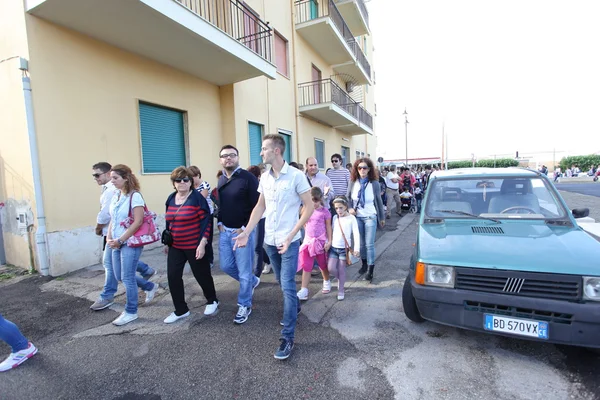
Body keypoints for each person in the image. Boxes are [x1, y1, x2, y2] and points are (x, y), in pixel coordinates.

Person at [234, 134, 313, 360]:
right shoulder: (265, 178)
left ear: (277, 151)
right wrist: (247, 232)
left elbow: (308, 207)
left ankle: (287, 337)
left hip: (289, 242)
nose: (261, 153)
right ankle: (295, 306)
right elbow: (260, 207)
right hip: (270, 241)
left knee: (287, 285)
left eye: (264, 149)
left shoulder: (297, 176)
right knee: (280, 281)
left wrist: (292, 234)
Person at [90, 162, 156, 313]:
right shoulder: (117, 195)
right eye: (111, 178)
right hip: (115, 241)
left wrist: (120, 240)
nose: (112, 181)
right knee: (118, 275)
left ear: (125, 178)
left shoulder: (135, 196)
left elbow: (138, 221)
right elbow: (112, 218)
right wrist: (110, 239)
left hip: (129, 242)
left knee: (127, 278)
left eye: (115, 178)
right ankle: (150, 286)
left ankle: (131, 311)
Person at [163, 167, 219, 324]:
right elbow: (169, 221)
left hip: (194, 245)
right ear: (173, 183)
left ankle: (212, 300)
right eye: (178, 180)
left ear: (190, 182)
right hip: (176, 245)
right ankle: (181, 310)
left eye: (185, 180)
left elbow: (206, 222)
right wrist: (167, 242)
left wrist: (202, 244)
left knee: (202, 275)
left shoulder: (197, 198)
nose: (181, 183)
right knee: (173, 277)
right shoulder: (171, 198)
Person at [217, 145, 260, 324]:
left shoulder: (248, 178)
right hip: (225, 231)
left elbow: (258, 206)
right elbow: (221, 203)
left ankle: (244, 305)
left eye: (232, 155)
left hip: (242, 232)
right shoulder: (221, 179)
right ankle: (252, 280)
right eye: (224, 156)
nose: (228, 158)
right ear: (220, 159)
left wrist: (245, 228)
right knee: (226, 266)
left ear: (238, 157)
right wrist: (219, 221)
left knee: (243, 272)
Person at [347, 158, 385, 282]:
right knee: (361, 244)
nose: (362, 170)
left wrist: (382, 217)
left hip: (370, 216)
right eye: (359, 168)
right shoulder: (353, 182)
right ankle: (363, 265)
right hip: (357, 217)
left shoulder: (374, 183)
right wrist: (349, 208)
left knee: (369, 244)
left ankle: (370, 270)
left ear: (369, 169)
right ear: (356, 169)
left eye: (365, 168)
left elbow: (379, 201)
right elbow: (347, 197)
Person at [297, 187, 332, 300]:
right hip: (308, 242)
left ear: (321, 199)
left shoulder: (324, 212)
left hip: (320, 242)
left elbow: (328, 227)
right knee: (306, 266)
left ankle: (326, 281)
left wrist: (329, 241)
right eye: (312, 200)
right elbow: (303, 222)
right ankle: (304, 289)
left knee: (322, 264)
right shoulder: (305, 210)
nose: (314, 203)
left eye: (316, 201)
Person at [329, 197, 360, 300]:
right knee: (331, 268)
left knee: (342, 269)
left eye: (341, 208)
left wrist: (357, 249)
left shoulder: (352, 218)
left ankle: (341, 289)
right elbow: (332, 231)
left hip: (344, 249)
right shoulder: (334, 218)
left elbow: (356, 234)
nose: (338, 210)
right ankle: (340, 279)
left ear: (346, 206)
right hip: (334, 247)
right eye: (336, 208)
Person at [247, 165, 271, 277]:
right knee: (256, 245)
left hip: (262, 218)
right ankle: (268, 261)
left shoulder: (262, 186)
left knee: (257, 245)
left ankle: (256, 275)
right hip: (252, 218)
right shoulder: (248, 186)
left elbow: (262, 205)